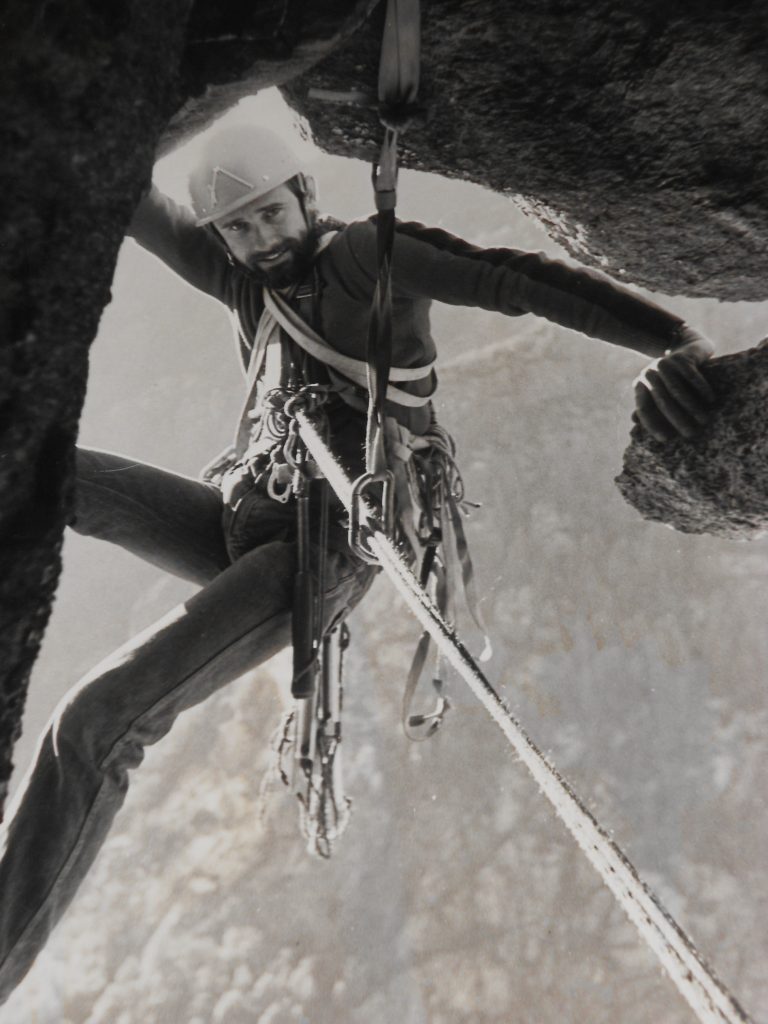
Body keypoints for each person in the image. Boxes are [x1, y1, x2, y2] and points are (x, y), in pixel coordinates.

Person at [0, 124, 717, 1002]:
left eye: (269, 215)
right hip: (240, 519)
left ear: (304, 196)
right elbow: (133, 196)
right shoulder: (239, 280)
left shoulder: (371, 257)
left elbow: (517, 280)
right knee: (47, 467)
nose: (260, 240)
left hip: (319, 553)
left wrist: (674, 339)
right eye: (239, 228)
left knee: (94, 723)